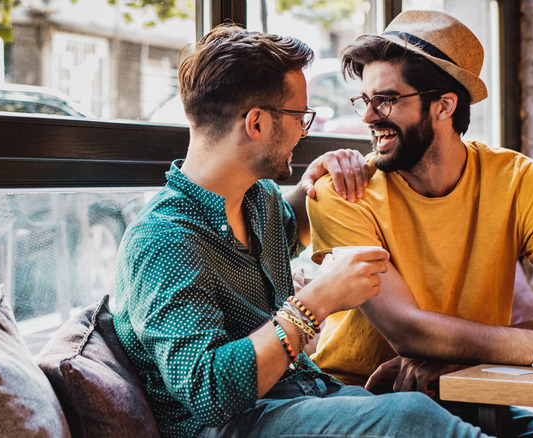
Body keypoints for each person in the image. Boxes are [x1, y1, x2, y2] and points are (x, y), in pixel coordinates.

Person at [111, 23, 494, 438]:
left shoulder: (258, 202)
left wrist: (327, 174)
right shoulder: (163, 239)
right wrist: (316, 302)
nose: (304, 130)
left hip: (307, 396)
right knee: (413, 416)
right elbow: (208, 392)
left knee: (433, 410)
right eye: (299, 116)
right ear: (257, 123)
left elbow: (293, 228)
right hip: (235, 423)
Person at [306, 9, 533, 435]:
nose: (368, 116)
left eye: (385, 99)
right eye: (364, 100)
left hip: (469, 391)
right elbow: (407, 331)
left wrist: (463, 357)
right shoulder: (342, 191)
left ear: (444, 105)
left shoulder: (523, 182)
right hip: (361, 397)